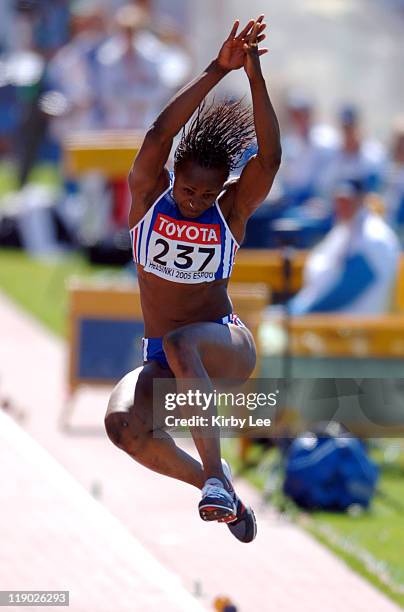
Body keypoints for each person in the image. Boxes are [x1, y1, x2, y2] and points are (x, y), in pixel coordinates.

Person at [104, 15, 281, 543]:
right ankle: (215, 481)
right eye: (189, 191)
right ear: (173, 176)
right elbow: (160, 133)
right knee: (123, 427)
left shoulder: (229, 212)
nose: (197, 201)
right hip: (163, 355)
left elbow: (268, 159)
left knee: (183, 343)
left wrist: (252, 76)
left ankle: (218, 482)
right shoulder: (147, 199)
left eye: (208, 194)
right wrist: (216, 69)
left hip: (224, 346)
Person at [288, 179, 400, 316]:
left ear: (361, 200)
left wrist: (306, 311)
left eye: (347, 200)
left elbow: (348, 288)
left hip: (356, 327)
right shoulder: (344, 228)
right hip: (332, 320)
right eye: (338, 200)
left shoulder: (375, 237)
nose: (341, 206)